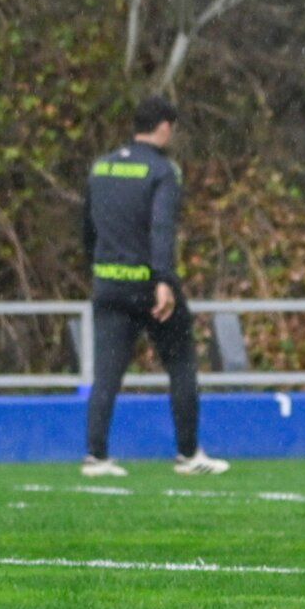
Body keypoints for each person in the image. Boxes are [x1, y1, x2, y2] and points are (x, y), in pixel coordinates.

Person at [80, 95, 229, 478]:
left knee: (107, 375)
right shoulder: (163, 171)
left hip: (109, 284)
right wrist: (163, 279)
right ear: (164, 126)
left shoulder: (102, 166)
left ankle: (96, 457)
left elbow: (87, 227)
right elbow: (161, 228)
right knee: (181, 364)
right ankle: (189, 454)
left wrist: (96, 269)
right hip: (149, 286)